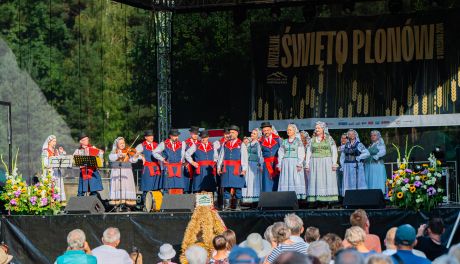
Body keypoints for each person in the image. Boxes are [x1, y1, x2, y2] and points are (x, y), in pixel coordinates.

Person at [305, 121, 339, 203]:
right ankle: (317, 199)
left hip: (326, 161)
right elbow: (309, 152)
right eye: (316, 128)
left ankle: (328, 200)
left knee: (326, 178)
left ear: (323, 129)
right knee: (316, 179)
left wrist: (334, 162)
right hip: (315, 162)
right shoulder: (312, 140)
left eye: (318, 128)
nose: (317, 129)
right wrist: (307, 164)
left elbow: (334, 151)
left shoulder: (329, 139)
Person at [217, 125, 248, 211]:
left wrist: (244, 169)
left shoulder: (241, 144)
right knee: (226, 187)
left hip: (237, 168)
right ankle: (227, 205)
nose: (231, 134)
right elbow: (221, 156)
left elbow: (244, 157)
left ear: (237, 133)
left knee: (238, 187)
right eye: (230, 132)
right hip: (226, 168)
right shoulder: (225, 144)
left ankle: (238, 205)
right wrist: (219, 167)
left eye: (233, 132)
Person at [277, 124, 306, 199]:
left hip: (294, 162)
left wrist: (299, 163)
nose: (288, 131)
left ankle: (295, 197)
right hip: (286, 163)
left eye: (290, 130)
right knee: (286, 179)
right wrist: (280, 163)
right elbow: (281, 153)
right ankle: (285, 197)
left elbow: (301, 152)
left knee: (295, 179)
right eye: (287, 130)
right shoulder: (285, 141)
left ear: (294, 131)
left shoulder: (298, 141)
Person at [153, 129, 186, 194]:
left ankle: (179, 202)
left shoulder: (181, 143)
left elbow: (183, 154)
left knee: (179, 186)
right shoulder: (164, 143)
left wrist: (182, 163)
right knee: (167, 186)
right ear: (170, 136)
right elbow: (154, 152)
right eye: (174, 136)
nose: (176, 137)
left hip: (178, 168)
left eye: (177, 136)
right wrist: (162, 159)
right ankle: (167, 202)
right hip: (168, 168)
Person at [108, 137, 137, 207]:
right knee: (118, 185)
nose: (122, 144)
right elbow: (110, 157)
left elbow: (132, 160)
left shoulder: (128, 151)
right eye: (120, 143)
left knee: (127, 186)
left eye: (123, 143)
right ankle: (117, 202)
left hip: (127, 172)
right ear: (117, 144)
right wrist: (118, 155)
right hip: (117, 172)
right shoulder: (114, 151)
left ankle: (128, 204)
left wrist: (135, 157)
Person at [134, 130, 161, 203]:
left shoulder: (157, 145)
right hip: (148, 169)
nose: (151, 137)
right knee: (147, 187)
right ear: (146, 137)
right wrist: (141, 157)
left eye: (152, 136)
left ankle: (156, 204)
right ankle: (146, 204)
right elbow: (134, 154)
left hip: (156, 168)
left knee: (156, 188)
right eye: (149, 136)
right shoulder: (142, 145)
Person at [340, 129, 370, 195]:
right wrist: (342, 165)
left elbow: (367, 153)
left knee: (357, 181)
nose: (351, 135)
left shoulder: (359, 144)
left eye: (353, 134)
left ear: (355, 135)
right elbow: (342, 156)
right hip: (347, 166)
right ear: (348, 136)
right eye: (349, 134)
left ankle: (359, 195)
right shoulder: (346, 145)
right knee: (348, 182)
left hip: (356, 166)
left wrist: (359, 157)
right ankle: (348, 196)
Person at [41, 135, 67, 203]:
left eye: (55, 141)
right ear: (49, 142)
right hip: (50, 173)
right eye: (53, 141)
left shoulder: (56, 151)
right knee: (51, 188)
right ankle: (51, 202)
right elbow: (45, 163)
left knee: (59, 188)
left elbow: (61, 161)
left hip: (57, 173)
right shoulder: (45, 151)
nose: (55, 143)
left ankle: (60, 202)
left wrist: (61, 153)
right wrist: (52, 164)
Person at [241, 128, 263, 204]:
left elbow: (260, 155)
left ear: (258, 135)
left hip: (255, 165)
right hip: (248, 164)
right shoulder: (249, 144)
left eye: (254, 134)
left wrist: (260, 165)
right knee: (248, 181)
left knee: (254, 181)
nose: (252, 135)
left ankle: (256, 199)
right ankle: (248, 200)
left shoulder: (258, 144)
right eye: (252, 133)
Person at [259, 122, 282, 192]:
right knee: (267, 181)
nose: (266, 132)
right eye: (264, 131)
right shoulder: (260, 141)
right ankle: (267, 199)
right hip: (266, 164)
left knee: (277, 180)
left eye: (267, 130)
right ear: (262, 132)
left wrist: (280, 163)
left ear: (271, 130)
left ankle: (277, 199)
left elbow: (282, 151)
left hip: (276, 163)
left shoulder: (278, 139)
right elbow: (259, 154)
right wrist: (261, 165)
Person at [183, 126, 201, 193]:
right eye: (194, 134)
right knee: (187, 183)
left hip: (197, 165)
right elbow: (182, 154)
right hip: (188, 164)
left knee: (197, 182)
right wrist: (184, 163)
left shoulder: (200, 142)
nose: (195, 135)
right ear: (190, 133)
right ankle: (188, 199)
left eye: (196, 134)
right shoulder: (185, 142)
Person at [337, 133, 347, 197]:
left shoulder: (348, 147)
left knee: (345, 182)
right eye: (342, 138)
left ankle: (345, 196)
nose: (343, 139)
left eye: (345, 138)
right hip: (339, 167)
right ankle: (340, 196)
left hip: (346, 167)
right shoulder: (338, 147)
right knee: (339, 182)